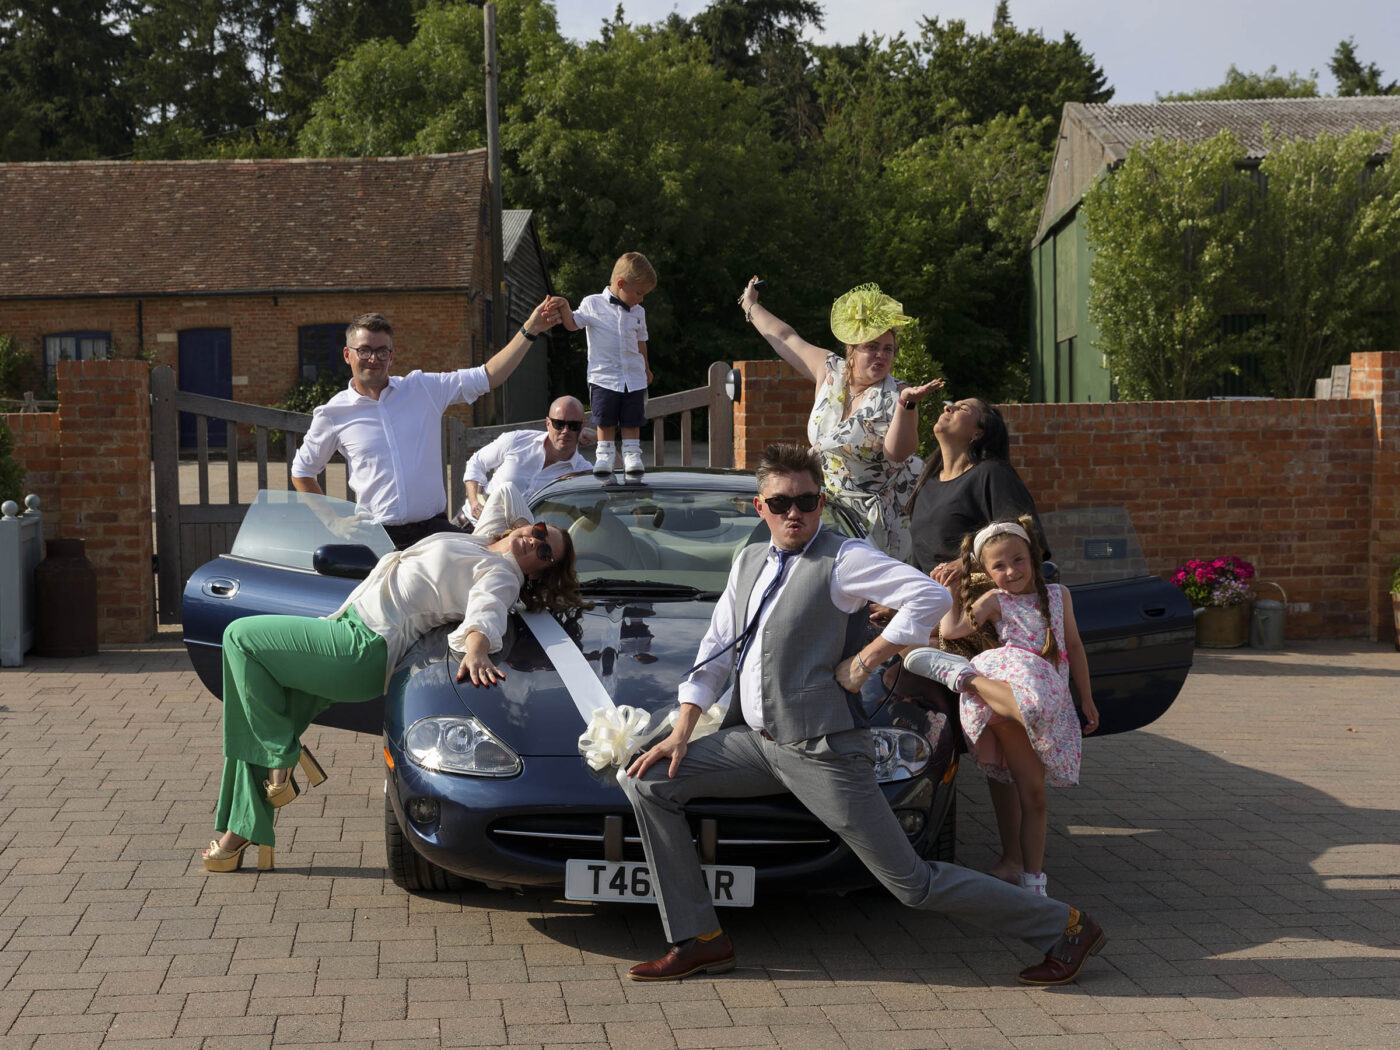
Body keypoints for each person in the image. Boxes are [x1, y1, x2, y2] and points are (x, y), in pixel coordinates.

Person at [619, 444, 1106, 987]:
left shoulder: (843, 558)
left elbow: (923, 595)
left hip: (821, 750)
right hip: (757, 742)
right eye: (781, 503)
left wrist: (868, 658)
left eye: (806, 500)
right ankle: (699, 938)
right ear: (761, 508)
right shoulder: (749, 560)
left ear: (821, 503)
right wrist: (682, 729)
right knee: (647, 781)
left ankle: (1065, 925)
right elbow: (716, 648)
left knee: (911, 883)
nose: (794, 513)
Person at [198, 483, 581, 873]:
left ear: (538, 574)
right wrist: (525, 529)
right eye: (538, 533)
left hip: (362, 646)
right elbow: (506, 490)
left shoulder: (502, 573)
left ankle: (282, 753)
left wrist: (477, 648)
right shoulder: (484, 538)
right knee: (248, 717)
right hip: (349, 629)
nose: (534, 544)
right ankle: (238, 836)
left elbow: (487, 611)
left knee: (239, 638)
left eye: (545, 552)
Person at [903, 518, 1099, 899]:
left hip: (1047, 695)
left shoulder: (1060, 596)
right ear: (987, 572)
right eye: (999, 566)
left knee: (1035, 796)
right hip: (1010, 678)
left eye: (1018, 560)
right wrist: (954, 590)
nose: (1010, 571)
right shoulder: (996, 600)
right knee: (1032, 775)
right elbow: (954, 630)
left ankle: (1031, 881)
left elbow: (1073, 647)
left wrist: (1086, 697)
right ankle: (1034, 885)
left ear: (1034, 558)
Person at [901, 396, 1053, 885]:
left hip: (979, 621)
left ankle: (1016, 859)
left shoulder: (990, 476)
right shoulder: (926, 481)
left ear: (980, 431)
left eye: (961, 406)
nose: (945, 406)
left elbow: (1027, 548)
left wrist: (965, 576)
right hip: (934, 612)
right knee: (942, 729)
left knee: (1000, 738)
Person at [291, 299, 564, 548]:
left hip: (434, 533)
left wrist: (530, 329)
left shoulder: (422, 389)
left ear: (391, 356)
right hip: (378, 539)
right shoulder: (333, 414)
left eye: (381, 351)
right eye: (364, 351)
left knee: (494, 560)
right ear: (347, 355)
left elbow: (489, 376)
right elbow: (302, 471)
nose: (373, 359)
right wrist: (333, 522)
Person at [738, 278, 943, 561]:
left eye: (888, 349)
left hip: (873, 521)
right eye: (872, 346)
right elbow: (786, 338)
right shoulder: (831, 371)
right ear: (851, 349)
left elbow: (899, 453)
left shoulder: (896, 393)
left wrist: (907, 405)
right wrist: (750, 304)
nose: (881, 355)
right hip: (823, 506)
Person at [558, 252, 656, 478]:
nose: (641, 299)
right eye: (639, 293)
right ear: (621, 284)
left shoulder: (639, 312)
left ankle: (632, 455)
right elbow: (573, 323)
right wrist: (563, 307)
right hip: (604, 376)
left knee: (632, 416)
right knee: (605, 417)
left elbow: (641, 342)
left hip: (633, 376)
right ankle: (604, 455)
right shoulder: (592, 303)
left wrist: (646, 368)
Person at [454, 395, 592, 527]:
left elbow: (611, 486)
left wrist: (602, 439)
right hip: (469, 523)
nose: (565, 431)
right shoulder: (518, 440)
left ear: (582, 426)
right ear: (548, 423)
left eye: (573, 425)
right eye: (559, 424)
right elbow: (476, 462)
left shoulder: (582, 471)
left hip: (510, 543)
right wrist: (474, 502)